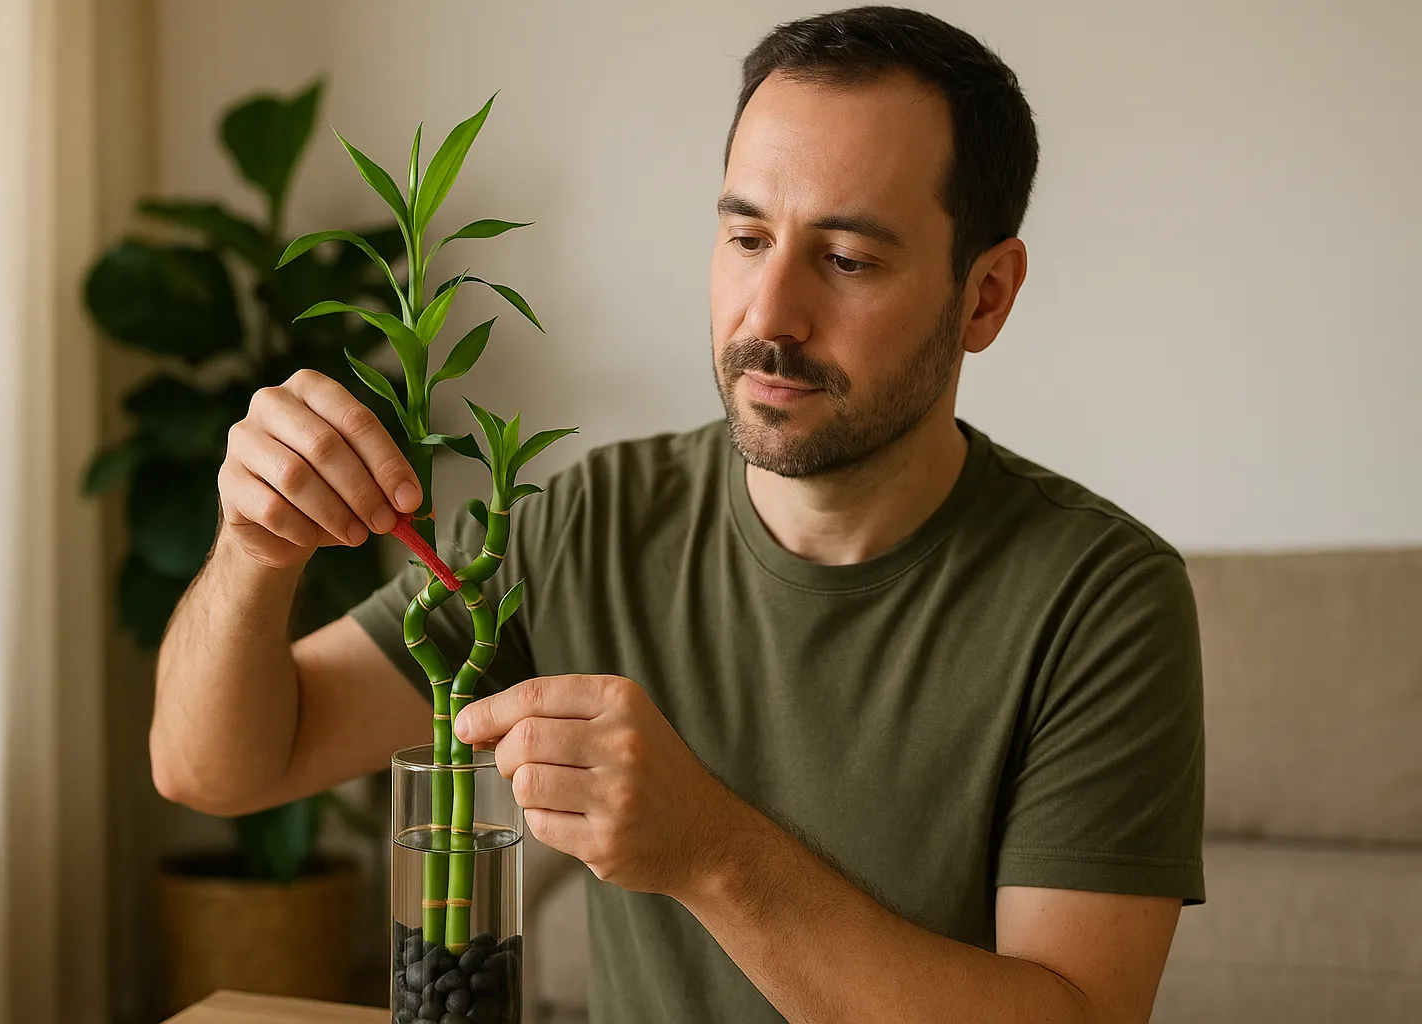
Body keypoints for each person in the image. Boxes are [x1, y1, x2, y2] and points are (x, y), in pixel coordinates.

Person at [151, 6, 1204, 1021]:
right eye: (747, 237)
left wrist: (710, 850)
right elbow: (212, 768)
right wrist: (252, 550)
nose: (770, 314)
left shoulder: (1101, 599)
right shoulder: (587, 521)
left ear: (986, 295)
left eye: (847, 259)